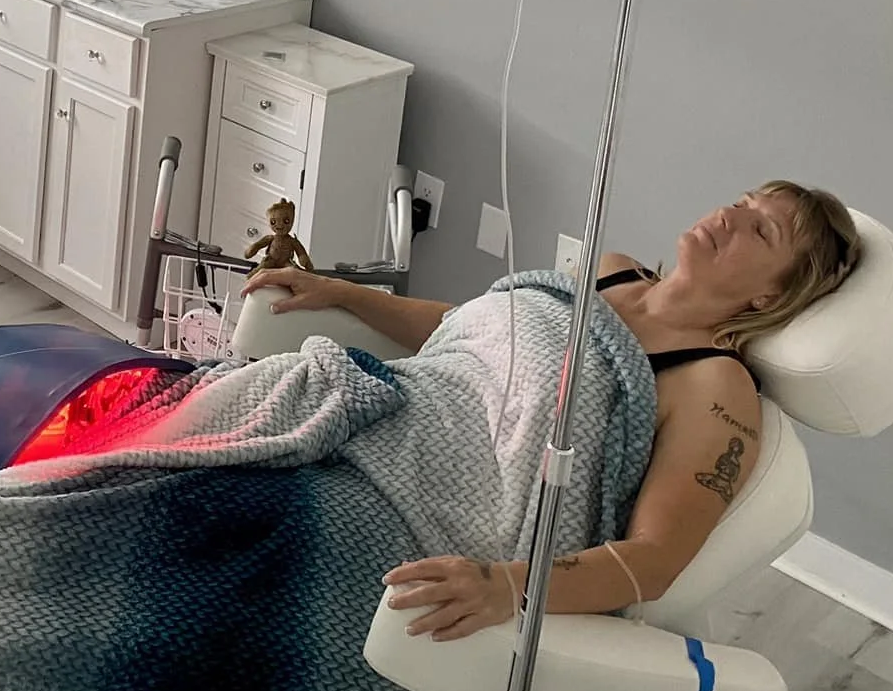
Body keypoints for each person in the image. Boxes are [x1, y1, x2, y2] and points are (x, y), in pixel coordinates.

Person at [242, 179, 861, 642]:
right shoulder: (611, 271)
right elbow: (470, 335)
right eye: (745, 201)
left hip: (438, 511)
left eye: (761, 230)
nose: (731, 214)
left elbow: (655, 561)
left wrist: (505, 584)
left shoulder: (716, 389)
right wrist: (344, 294)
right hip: (379, 414)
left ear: (771, 294)